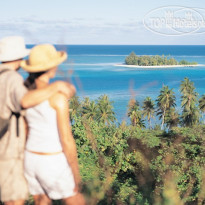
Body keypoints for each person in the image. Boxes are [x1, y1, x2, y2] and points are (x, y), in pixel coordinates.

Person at [0, 36, 76, 205]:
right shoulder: (13, 79)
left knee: (38, 200)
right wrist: (56, 86)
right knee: (15, 201)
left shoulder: (9, 79)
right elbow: (25, 101)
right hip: (11, 152)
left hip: (23, 155)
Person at [21, 44, 85, 205]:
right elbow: (67, 140)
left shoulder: (25, 92)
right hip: (51, 161)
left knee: (41, 201)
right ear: (51, 68)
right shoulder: (57, 97)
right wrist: (75, 172)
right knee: (76, 200)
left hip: (30, 158)